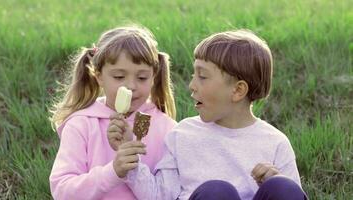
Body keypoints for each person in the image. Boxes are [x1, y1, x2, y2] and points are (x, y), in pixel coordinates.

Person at [111, 29, 308, 200]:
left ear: (238, 91)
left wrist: (273, 180)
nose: (191, 86)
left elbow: (292, 194)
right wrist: (130, 160)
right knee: (216, 192)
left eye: (202, 76)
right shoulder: (182, 135)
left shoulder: (275, 142)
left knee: (283, 186)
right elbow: (160, 195)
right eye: (193, 75)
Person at [49, 25, 177, 200]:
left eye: (142, 78)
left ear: (154, 77)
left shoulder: (167, 128)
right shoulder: (81, 124)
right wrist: (113, 171)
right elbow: (62, 191)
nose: (131, 86)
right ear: (99, 76)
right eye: (119, 77)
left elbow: (170, 193)